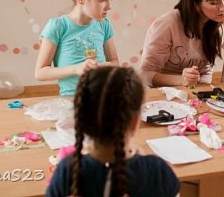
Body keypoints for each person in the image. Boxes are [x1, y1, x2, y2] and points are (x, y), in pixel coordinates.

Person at [46, 66, 180, 197]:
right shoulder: (156, 171)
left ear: (81, 120)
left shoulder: (67, 170)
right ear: (134, 122)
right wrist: (142, 162)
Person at [35, 0, 119, 96]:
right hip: (73, 100)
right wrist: (76, 69)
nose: (109, 7)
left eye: (110, 0)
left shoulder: (104, 25)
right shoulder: (57, 27)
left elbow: (115, 62)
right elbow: (40, 72)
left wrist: (107, 67)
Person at [140, 0, 224, 87]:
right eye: (214, 2)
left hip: (192, 94)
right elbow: (145, 74)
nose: (223, 8)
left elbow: (206, 71)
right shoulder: (167, 24)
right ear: (196, 5)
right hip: (163, 94)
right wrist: (181, 80)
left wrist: (199, 91)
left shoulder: (213, 25)